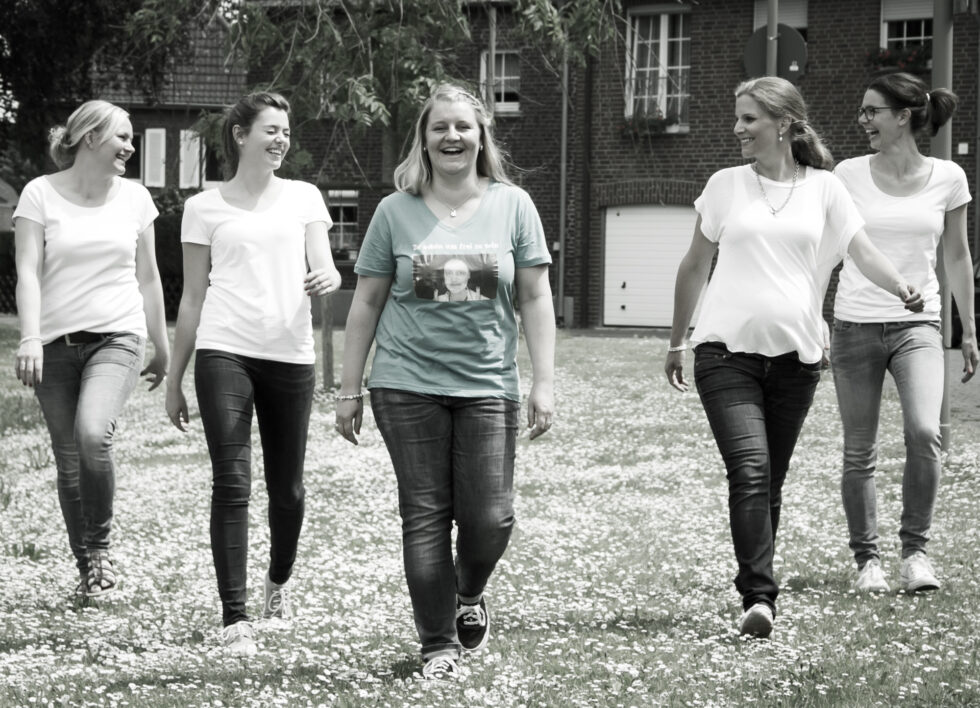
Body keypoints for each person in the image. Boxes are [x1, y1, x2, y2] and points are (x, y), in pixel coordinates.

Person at [664, 76, 923, 639]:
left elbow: (862, 250)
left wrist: (901, 286)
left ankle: (758, 586)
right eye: (737, 118)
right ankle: (758, 596)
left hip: (796, 360)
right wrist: (677, 338)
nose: (738, 129)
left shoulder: (825, 189)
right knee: (750, 470)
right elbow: (692, 266)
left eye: (749, 119)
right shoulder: (725, 185)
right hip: (723, 352)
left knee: (769, 480)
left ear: (783, 124)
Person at [335, 83, 555, 680]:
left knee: (490, 517)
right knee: (426, 513)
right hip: (405, 384)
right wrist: (350, 388)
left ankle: (467, 593)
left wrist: (543, 381)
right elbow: (366, 303)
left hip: (488, 384)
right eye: (440, 128)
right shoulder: (393, 211)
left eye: (463, 126)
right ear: (423, 140)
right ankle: (437, 644)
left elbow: (535, 295)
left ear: (481, 137)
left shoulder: (513, 205)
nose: (452, 137)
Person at [165, 92, 341, 656]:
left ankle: (278, 581)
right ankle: (234, 616)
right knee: (232, 481)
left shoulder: (305, 197)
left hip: (290, 353)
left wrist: (329, 278)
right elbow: (191, 299)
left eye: (286, 130)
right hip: (224, 350)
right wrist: (174, 379)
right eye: (270, 129)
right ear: (240, 135)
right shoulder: (204, 207)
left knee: (286, 490)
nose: (281, 139)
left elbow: (324, 263)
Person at [13, 100, 169, 599]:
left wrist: (160, 345)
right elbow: (27, 274)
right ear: (89, 139)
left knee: (92, 434)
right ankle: (89, 571)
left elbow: (148, 277)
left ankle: (99, 548)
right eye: (122, 137)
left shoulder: (135, 199)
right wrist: (30, 336)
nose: (130, 146)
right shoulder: (39, 195)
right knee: (67, 459)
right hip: (55, 344)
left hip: (117, 337)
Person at [831, 71, 977, 595]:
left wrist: (968, 331)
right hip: (854, 322)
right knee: (859, 448)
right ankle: (866, 560)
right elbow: (831, 246)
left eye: (872, 111)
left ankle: (915, 553)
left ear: (904, 116)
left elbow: (957, 256)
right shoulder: (846, 175)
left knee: (924, 431)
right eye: (863, 110)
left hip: (920, 324)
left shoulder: (948, 177)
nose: (863, 120)